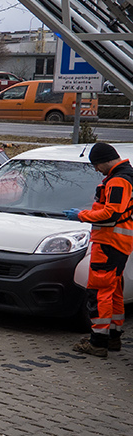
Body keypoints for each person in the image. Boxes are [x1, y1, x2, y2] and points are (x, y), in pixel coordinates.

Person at [68, 142, 130, 357]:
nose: (96, 169)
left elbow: (111, 214)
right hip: (119, 244)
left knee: (99, 291)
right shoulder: (126, 177)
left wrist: (81, 215)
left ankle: (98, 342)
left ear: (104, 160)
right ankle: (113, 337)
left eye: (96, 165)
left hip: (108, 243)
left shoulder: (119, 181)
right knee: (114, 290)